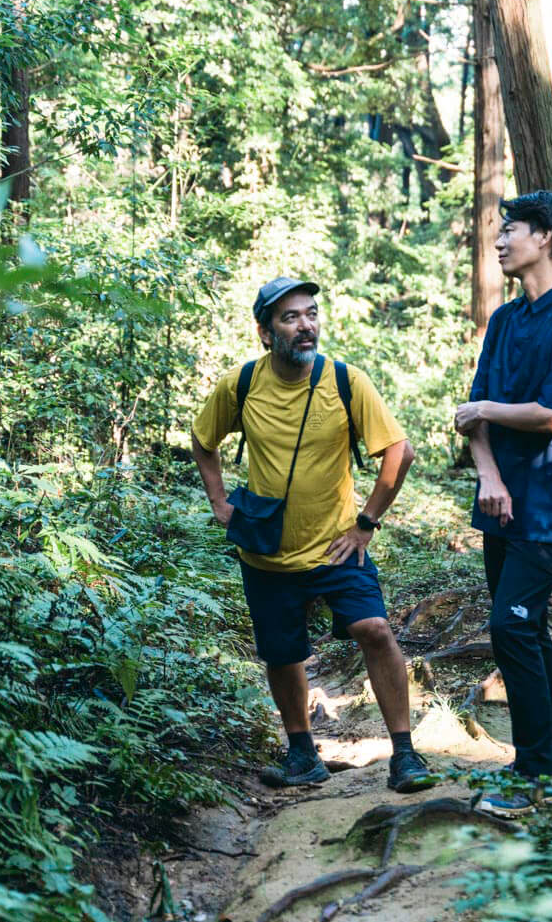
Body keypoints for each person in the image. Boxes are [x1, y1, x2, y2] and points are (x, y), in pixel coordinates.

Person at [190, 276, 435, 793]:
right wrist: (218, 501)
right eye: (290, 318)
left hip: (336, 547)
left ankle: (406, 754)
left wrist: (365, 524)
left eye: (311, 314)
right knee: (282, 653)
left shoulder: (345, 381)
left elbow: (399, 452)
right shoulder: (241, 385)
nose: (306, 326)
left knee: (375, 630)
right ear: (265, 332)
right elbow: (202, 438)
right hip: (267, 552)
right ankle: (303, 754)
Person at [455, 191, 552, 817]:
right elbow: (474, 418)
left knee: (512, 624)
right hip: (501, 500)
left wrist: (486, 411)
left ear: (545, 236)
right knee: (525, 627)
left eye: (509, 229)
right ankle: (547, 762)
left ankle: (532, 774)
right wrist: (488, 478)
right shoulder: (503, 320)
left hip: (549, 499)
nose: (498, 241)